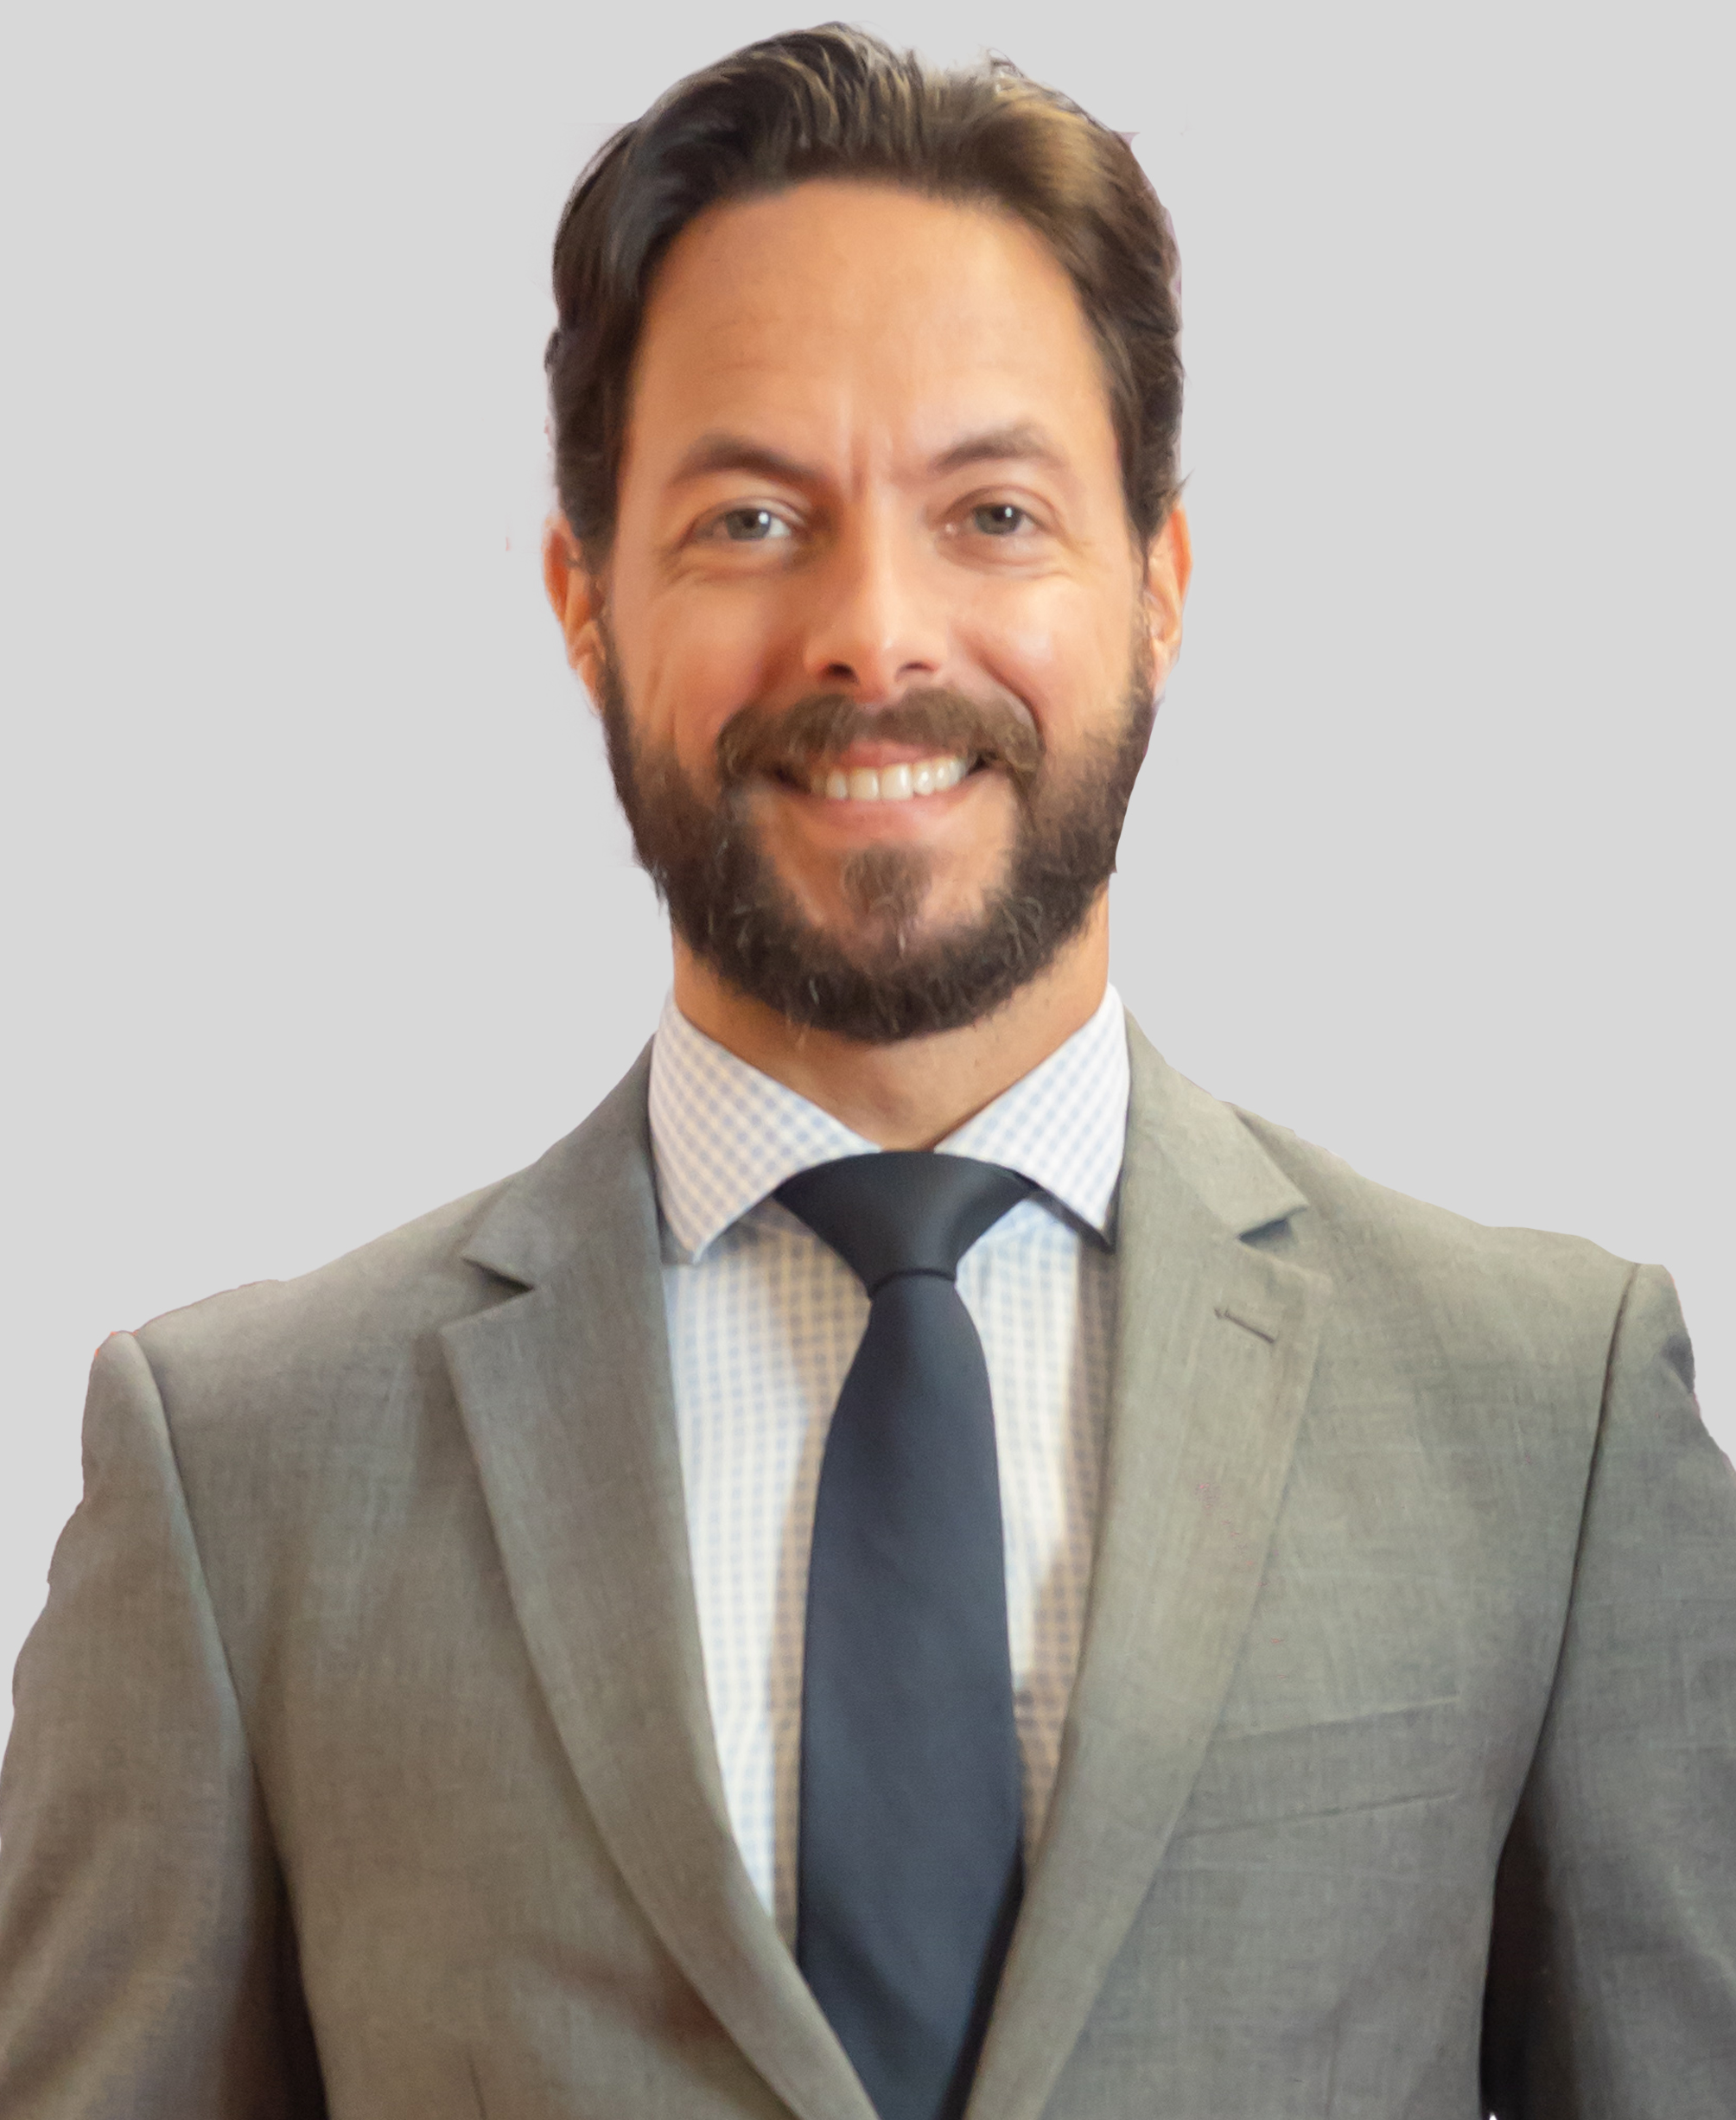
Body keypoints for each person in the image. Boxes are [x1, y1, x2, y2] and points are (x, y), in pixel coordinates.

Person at [1, 22, 1731, 2118]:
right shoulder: (236, 1474)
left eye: (993, 510)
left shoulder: (1547, 1423)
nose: (876, 634)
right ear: (584, 604)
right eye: (750, 518)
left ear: (1160, 588)